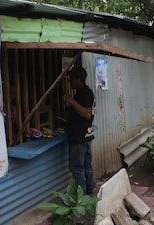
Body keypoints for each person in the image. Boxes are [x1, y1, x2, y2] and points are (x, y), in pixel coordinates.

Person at [63, 66, 96, 195]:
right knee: (86, 166)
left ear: (79, 80)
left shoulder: (85, 94)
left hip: (79, 138)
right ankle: (89, 192)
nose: (70, 82)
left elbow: (87, 114)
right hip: (85, 135)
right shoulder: (82, 94)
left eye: (71, 79)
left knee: (77, 168)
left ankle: (81, 197)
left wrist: (71, 100)